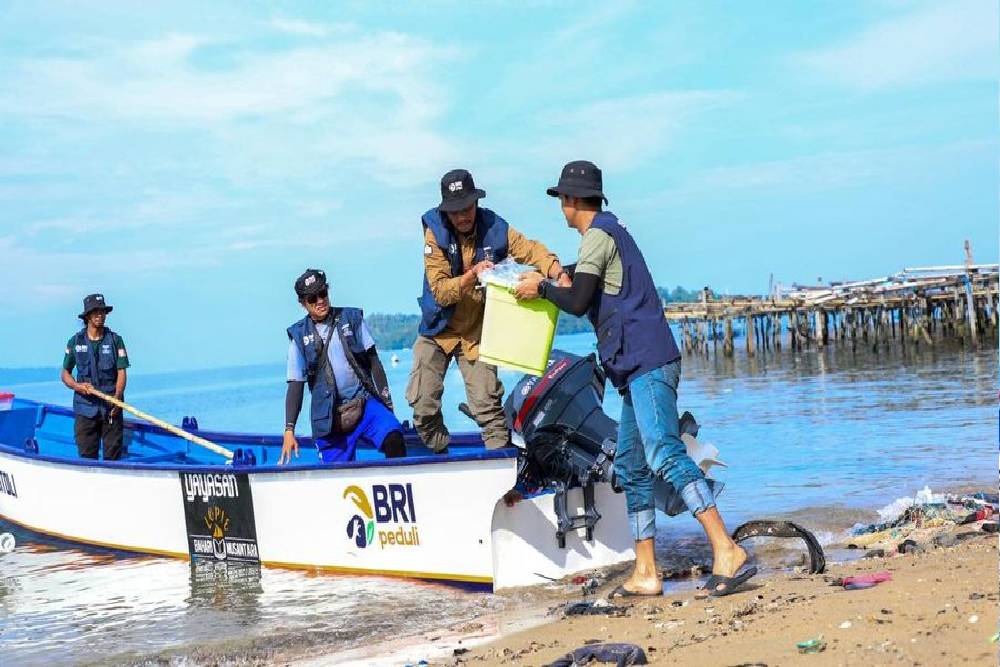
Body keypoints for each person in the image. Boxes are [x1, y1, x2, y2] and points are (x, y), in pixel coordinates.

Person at [516, 161, 755, 597]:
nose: (561, 208)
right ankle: (646, 572)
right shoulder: (606, 234)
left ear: (571, 200)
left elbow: (578, 298)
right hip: (635, 368)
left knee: (664, 453)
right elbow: (586, 281)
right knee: (630, 466)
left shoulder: (598, 235)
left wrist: (542, 288)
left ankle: (727, 549)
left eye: (561, 200)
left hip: (648, 363)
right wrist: (551, 276)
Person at [408, 168, 570, 452]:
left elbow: (530, 249)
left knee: (488, 408)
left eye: (467, 208)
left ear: (476, 203)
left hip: (475, 332)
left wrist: (557, 271)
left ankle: (503, 471)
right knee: (423, 405)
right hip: (437, 330)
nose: (462, 216)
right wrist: (472, 275)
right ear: (446, 211)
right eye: (455, 211)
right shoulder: (434, 232)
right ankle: (440, 453)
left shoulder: (495, 227)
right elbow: (442, 292)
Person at [280, 269, 405, 464]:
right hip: (329, 419)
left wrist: (388, 405)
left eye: (323, 293)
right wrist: (289, 430)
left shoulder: (351, 318)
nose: (320, 300)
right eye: (312, 298)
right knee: (335, 478)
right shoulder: (298, 337)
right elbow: (296, 385)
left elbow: (374, 363)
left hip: (364, 404)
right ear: (303, 303)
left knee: (394, 437)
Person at [60, 293, 129, 460]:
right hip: (85, 408)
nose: (100, 315)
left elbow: (122, 372)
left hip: (111, 408)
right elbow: (65, 374)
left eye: (102, 312)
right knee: (87, 456)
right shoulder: (75, 342)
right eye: (96, 312)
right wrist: (77, 386)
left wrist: (118, 397)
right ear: (87, 316)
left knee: (113, 458)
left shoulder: (115, 340)